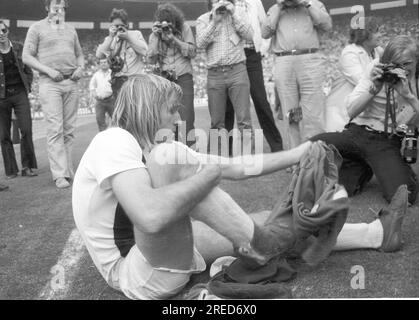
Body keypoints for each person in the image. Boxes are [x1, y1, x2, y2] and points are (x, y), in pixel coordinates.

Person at [72, 74, 408, 300]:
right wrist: (207, 175)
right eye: (171, 110)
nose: (176, 119)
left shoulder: (149, 146)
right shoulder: (113, 140)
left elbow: (237, 167)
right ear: (147, 108)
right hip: (135, 272)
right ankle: (263, 245)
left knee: (263, 217)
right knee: (171, 157)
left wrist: (300, 151)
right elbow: (150, 217)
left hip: (151, 253)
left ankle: (376, 233)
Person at [312, 35, 419, 205]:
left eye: (406, 64)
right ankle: (363, 164)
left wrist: (409, 96)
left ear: (416, 60)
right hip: (356, 131)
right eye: (395, 64)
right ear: (387, 61)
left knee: (403, 197)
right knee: (312, 145)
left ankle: (373, 165)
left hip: (386, 140)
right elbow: (351, 110)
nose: (401, 70)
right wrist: (373, 89)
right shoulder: (376, 67)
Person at [22, 0, 84, 189]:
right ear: (47, 8)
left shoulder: (71, 29)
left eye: (62, 6)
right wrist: (48, 71)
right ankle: (59, 175)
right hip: (50, 83)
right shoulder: (36, 28)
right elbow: (26, 56)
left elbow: (79, 54)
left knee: (69, 131)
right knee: (55, 129)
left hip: (71, 82)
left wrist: (81, 67)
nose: (59, 9)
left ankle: (68, 171)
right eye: (55, 6)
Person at [261, 0, 332, 149]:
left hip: (310, 59)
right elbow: (265, 32)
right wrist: (280, 6)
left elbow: (327, 25)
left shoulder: (313, 4)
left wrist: (306, 3)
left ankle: (315, 155)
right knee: (291, 113)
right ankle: (295, 158)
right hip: (284, 60)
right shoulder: (276, 9)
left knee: (313, 113)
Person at [224, 0, 283, 154]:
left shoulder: (254, 2)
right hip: (230, 55)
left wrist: (262, 49)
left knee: (261, 101)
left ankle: (277, 146)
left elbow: (266, 25)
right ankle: (227, 149)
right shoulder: (224, 2)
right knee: (228, 105)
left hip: (251, 55)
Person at [196, 0, 254, 153]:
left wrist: (233, 13)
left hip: (237, 70)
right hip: (215, 74)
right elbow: (200, 44)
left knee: (244, 121)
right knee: (216, 122)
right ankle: (216, 160)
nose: (220, 2)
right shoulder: (203, 19)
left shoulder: (238, 15)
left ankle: (249, 159)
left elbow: (249, 35)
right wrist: (214, 22)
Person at [148, 2, 197, 147]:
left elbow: (192, 52)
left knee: (187, 116)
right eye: (163, 24)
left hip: (183, 77)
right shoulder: (154, 35)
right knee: (166, 117)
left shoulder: (184, 28)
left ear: (175, 21)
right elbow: (150, 59)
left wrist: (174, 39)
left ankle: (190, 151)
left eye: (169, 24)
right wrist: (157, 37)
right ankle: (170, 151)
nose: (166, 28)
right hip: (164, 80)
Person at [325, 17, 384, 132]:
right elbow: (364, 81)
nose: (380, 35)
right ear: (364, 34)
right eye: (376, 31)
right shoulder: (349, 53)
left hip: (363, 111)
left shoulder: (378, 51)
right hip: (342, 112)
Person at [0, 20, 38, 179]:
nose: (0, 34)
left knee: (26, 130)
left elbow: (28, 70)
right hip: (2, 97)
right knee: (3, 135)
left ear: (7, 31)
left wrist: (27, 86)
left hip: (19, 93)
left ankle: (27, 166)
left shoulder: (18, 47)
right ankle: (11, 170)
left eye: (3, 30)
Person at [96, 8, 148, 97]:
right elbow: (99, 55)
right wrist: (110, 36)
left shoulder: (136, 34)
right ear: (111, 26)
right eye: (115, 26)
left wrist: (128, 37)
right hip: (118, 82)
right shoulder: (109, 39)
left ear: (126, 25)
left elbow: (145, 51)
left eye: (121, 25)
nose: (118, 28)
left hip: (135, 81)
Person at [89, 58, 114, 132]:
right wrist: (94, 94)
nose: (103, 64)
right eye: (101, 62)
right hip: (100, 101)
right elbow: (92, 86)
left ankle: (117, 137)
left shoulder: (112, 73)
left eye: (105, 62)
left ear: (108, 63)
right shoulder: (96, 75)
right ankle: (103, 138)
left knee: (116, 119)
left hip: (111, 100)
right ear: (99, 65)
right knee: (100, 121)